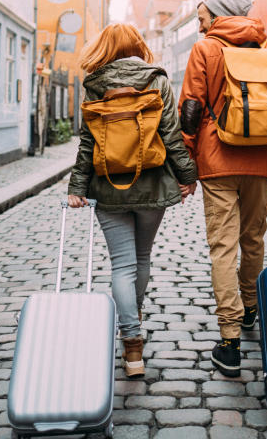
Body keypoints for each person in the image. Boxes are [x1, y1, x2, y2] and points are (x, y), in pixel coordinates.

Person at [178, 0, 267, 378]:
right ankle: (249, 309)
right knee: (253, 241)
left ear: (220, 15)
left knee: (222, 248)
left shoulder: (205, 50)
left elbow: (191, 110)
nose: (200, 24)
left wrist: (186, 170)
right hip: (261, 161)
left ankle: (229, 341)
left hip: (217, 162)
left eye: (203, 17)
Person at [68, 24, 197, 379]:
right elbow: (171, 136)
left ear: (106, 47)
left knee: (121, 265)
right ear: (138, 46)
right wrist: (188, 176)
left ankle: (131, 344)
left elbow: (87, 144)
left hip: (109, 187)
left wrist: (77, 187)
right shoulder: (157, 81)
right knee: (141, 258)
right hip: (152, 185)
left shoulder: (95, 84)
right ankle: (134, 324)